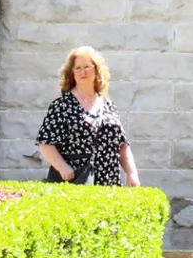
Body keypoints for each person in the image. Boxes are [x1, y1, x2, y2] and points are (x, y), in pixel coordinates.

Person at [36, 46, 141, 187]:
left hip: (109, 180)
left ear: (97, 70)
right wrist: (62, 167)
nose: (82, 72)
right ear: (72, 73)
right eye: (77, 68)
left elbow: (122, 145)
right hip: (76, 180)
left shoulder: (108, 105)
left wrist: (131, 173)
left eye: (87, 67)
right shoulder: (61, 105)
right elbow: (45, 142)